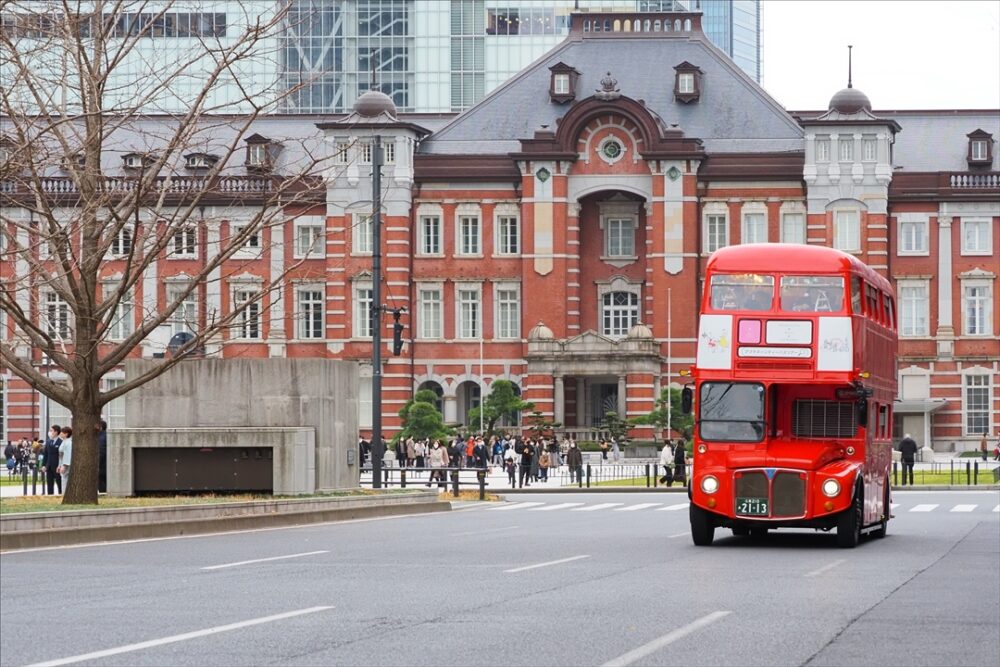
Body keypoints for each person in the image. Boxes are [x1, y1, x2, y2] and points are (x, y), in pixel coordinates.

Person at [43, 425, 62, 495]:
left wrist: (60, 465)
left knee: (59, 483)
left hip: (57, 466)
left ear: (56, 432)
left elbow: (61, 456)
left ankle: (61, 494)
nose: (50, 432)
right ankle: (50, 496)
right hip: (49, 466)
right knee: (49, 483)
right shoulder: (48, 442)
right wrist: (44, 465)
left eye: (51, 431)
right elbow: (46, 454)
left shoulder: (61, 442)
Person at [56, 426, 73, 491]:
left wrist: (64, 466)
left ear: (66, 434)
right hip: (62, 463)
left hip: (66, 465)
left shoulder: (69, 443)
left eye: (62, 433)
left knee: (65, 480)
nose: (60, 434)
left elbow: (67, 455)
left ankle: (65, 494)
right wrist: (59, 465)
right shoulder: (64, 441)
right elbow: (61, 456)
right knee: (63, 480)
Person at [97, 419, 108, 494]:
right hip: (104, 462)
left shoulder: (101, 437)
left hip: (102, 462)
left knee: (101, 478)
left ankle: (103, 492)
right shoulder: (104, 435)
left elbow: (101, 450)